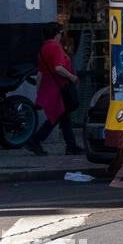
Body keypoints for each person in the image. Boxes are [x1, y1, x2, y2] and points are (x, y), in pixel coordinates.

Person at [26, 23, 82, 156]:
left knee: (63, 116)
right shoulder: (55, 47)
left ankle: (71, 146)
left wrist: (39, 93)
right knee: (57, 116)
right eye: (61, 33)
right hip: (60, 87)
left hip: (50, 87)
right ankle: (35, 140)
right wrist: (72, 77)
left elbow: (40, 73)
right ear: (57, 33)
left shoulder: (43, 48)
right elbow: (58, 68)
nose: (62, 36)